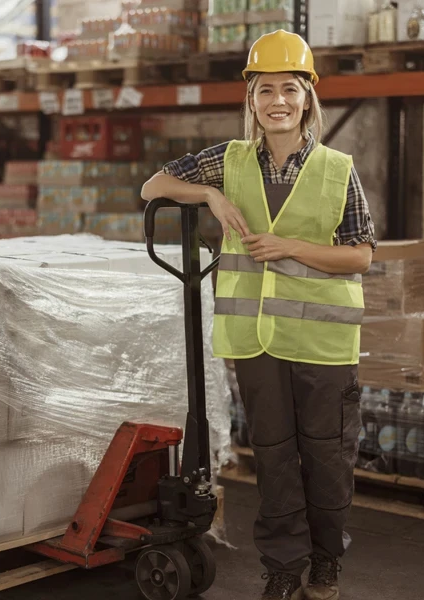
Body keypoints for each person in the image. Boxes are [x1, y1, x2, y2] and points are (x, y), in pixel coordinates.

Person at [141, 30, 376, 600]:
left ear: (307, 98)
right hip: (257, 342)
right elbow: (153, 185)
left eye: (289, 89)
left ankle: (325, 564)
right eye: (265, 89)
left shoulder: (336, 168)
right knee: (273, 460)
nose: (277, 100)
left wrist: (290, 247)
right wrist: (210, 198)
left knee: (325, 459)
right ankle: (283, 568)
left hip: (322, 346)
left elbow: (362, 254)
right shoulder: (228, 160)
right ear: (251, 100)